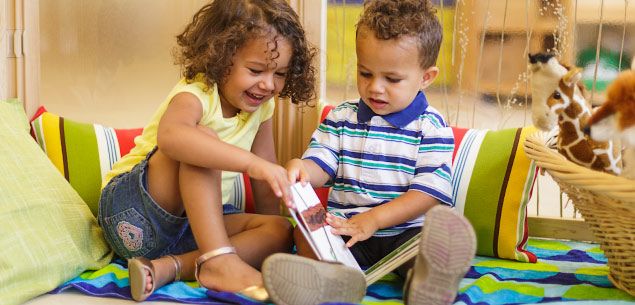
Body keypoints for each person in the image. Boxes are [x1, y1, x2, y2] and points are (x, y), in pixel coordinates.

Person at [97, 0, 317, 302]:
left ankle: (171, 268)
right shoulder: (197, 92)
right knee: (201, 140)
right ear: (221, 56)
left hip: (192, 232)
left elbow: (266, 179)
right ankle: (220, 261)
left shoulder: (262, 109)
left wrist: (271, 243)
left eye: (279, 74)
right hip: (133, 214)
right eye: (256, 70)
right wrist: (251, 164)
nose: (268, 84)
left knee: (279, 229)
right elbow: (173, 137)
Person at [261, 1, 476, 305]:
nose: (375, 88)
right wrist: (302, 169)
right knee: (304, 233)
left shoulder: (431, 127)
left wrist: (375, 219)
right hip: (346, 229)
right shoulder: (341, 117)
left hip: (405, 233)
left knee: (428, 247)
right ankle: (334, 280)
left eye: (392, 79)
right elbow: (322, 164)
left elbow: (427, 194)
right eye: (365, 73)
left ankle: (428, 283)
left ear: (426, 77)